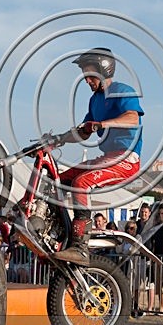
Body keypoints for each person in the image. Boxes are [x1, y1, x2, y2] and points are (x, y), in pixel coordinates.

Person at [52, 48, 144, 266]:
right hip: (107, 157)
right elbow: (84, 131)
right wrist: (58, 139)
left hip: (126, 159)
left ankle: (80, 247)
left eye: (90, 75)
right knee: (59, 179)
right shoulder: (95, 100)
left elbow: (132, 118)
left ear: (104, 71)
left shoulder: (122, 91)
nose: (87, 80)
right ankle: (59, 231)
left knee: (81, 182)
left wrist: (103, 124)